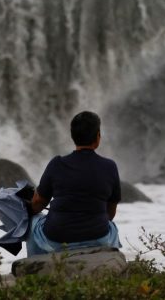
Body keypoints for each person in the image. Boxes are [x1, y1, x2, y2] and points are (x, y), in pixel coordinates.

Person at [25, 110, 122, 256]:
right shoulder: (110, 167)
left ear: (73, 136)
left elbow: (38, 203)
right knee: (111, 226)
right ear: (97, 137)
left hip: (57, 240)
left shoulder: (57, 164)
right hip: (98, 238)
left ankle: (34, 267)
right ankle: (108, 260)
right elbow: (110, 212)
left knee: (33, 222)